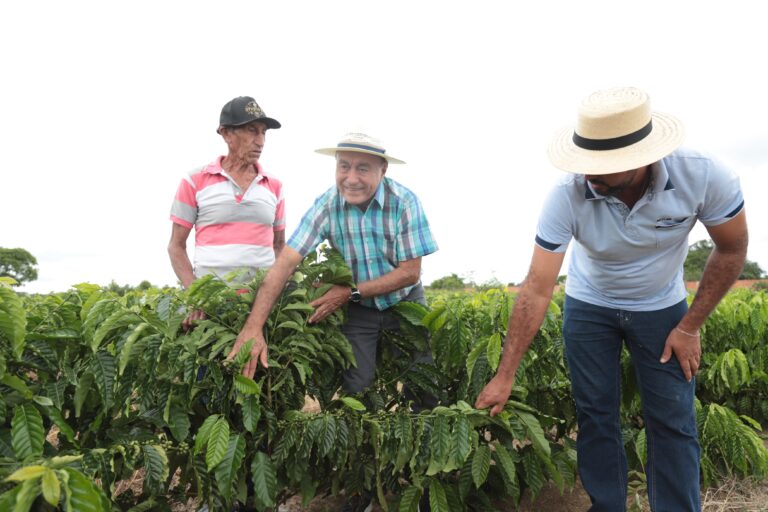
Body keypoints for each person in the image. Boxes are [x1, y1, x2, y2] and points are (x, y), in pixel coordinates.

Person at [475, 87, 748, 511]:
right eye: (585, 163)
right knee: (596, 416)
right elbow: (537, 286)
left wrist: (689, 326)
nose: (589, 175)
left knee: (673, 420)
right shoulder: (565, 194)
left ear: (641, 159)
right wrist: (505, 374)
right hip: (590, 305)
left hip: (662, 308)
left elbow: (731, 250)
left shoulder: (704, 175)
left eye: (602, 167)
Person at [227, 132, 438, 512]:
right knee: (357, 395)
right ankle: (363, 487)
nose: (351, 178)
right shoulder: (327, 205)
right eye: (344, 166)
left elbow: (410, 272)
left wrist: (350, 291)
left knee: (423, 391)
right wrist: (253, 326)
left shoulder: (404, 202)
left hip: (404, 303)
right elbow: (285, 263)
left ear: (382, 170)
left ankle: (427, 484)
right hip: (358, 311)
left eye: (363, 168)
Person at [168, 96, 285, 329]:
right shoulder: (194, 181)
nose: (260, 141)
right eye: (252, 131)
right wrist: (196, 298)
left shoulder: (274, 186)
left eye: (263, 133)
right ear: (226, 133)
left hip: (260, 306)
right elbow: (176, 246)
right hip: (211, 307)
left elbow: (279, 246)